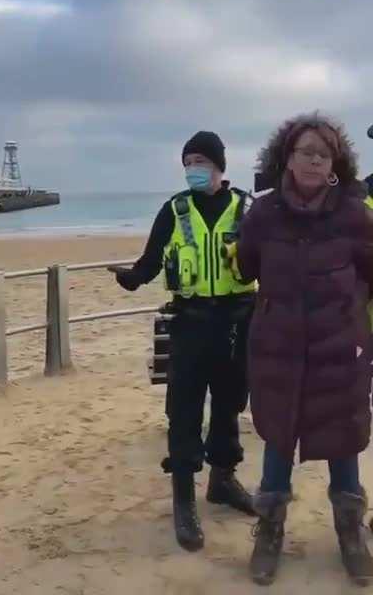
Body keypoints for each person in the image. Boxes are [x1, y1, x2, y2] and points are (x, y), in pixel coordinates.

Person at [235, 113, 373, 586]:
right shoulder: (263, 213)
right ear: (286, 158)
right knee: (277, 439)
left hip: (340, 351)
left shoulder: (355, 212)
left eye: (323, 153)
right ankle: (269, 532)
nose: (314, 160)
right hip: (278, 350)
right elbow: (249, 266)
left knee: (343, 441)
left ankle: (351, 533)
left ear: (336, 162)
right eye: (305, 151)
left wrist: (348, 320)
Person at [109, 131, 256, 552]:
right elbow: (152, 260)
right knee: (185, 410)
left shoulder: (247, 208)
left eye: (201, 160)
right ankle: (184, 499)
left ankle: (223, 481)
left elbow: (270, 257)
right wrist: (133, 279)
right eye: (188, 161)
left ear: (219, 165)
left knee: (229, 404)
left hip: (236, 322)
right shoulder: (174, 210)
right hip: (191, 323)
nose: (194, 168)